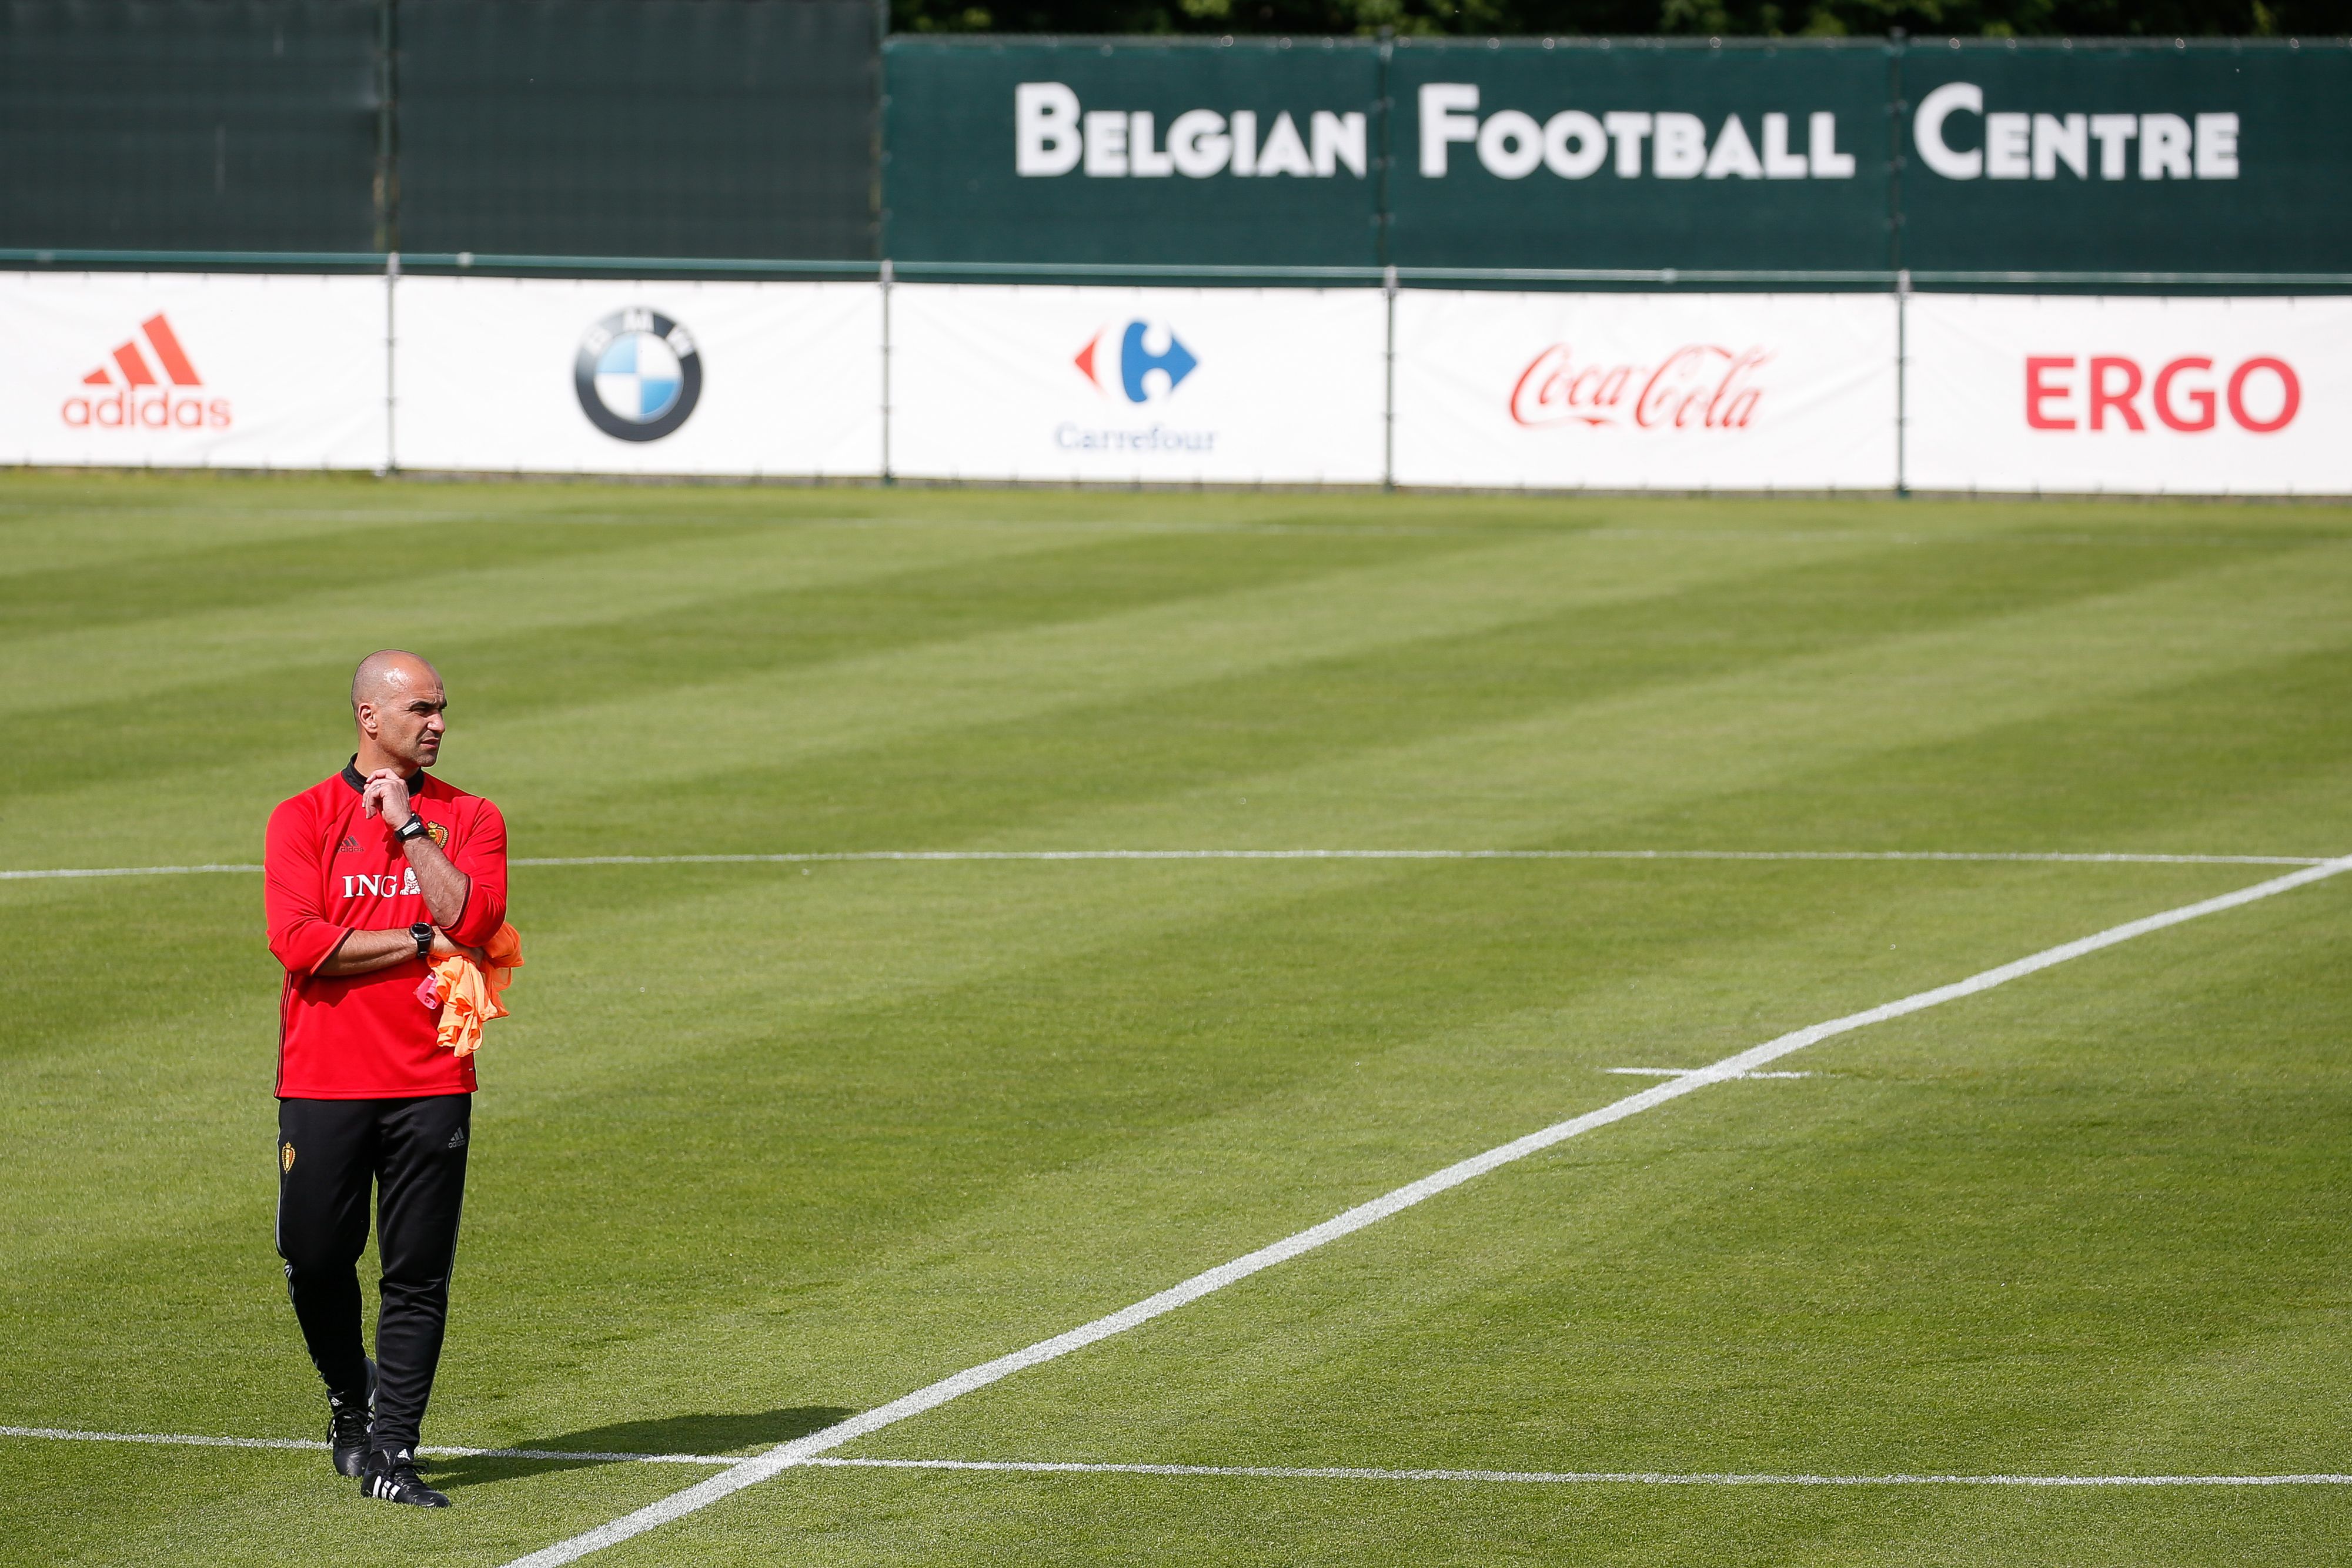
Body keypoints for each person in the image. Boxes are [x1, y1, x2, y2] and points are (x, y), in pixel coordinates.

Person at [264, 650, 508, 1508]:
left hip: (433, 1076)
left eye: (443, 709)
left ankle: (392, 1452)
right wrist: (414, 942)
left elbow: (473, 919)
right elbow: (300, 944)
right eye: (422, 709)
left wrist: (409, 829)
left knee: (416, 1273)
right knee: (316, 1256)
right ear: (370, 717)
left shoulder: (470, 817)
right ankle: (349, 1400)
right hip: (325, 1079)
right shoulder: (302, 818)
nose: (438, 722)